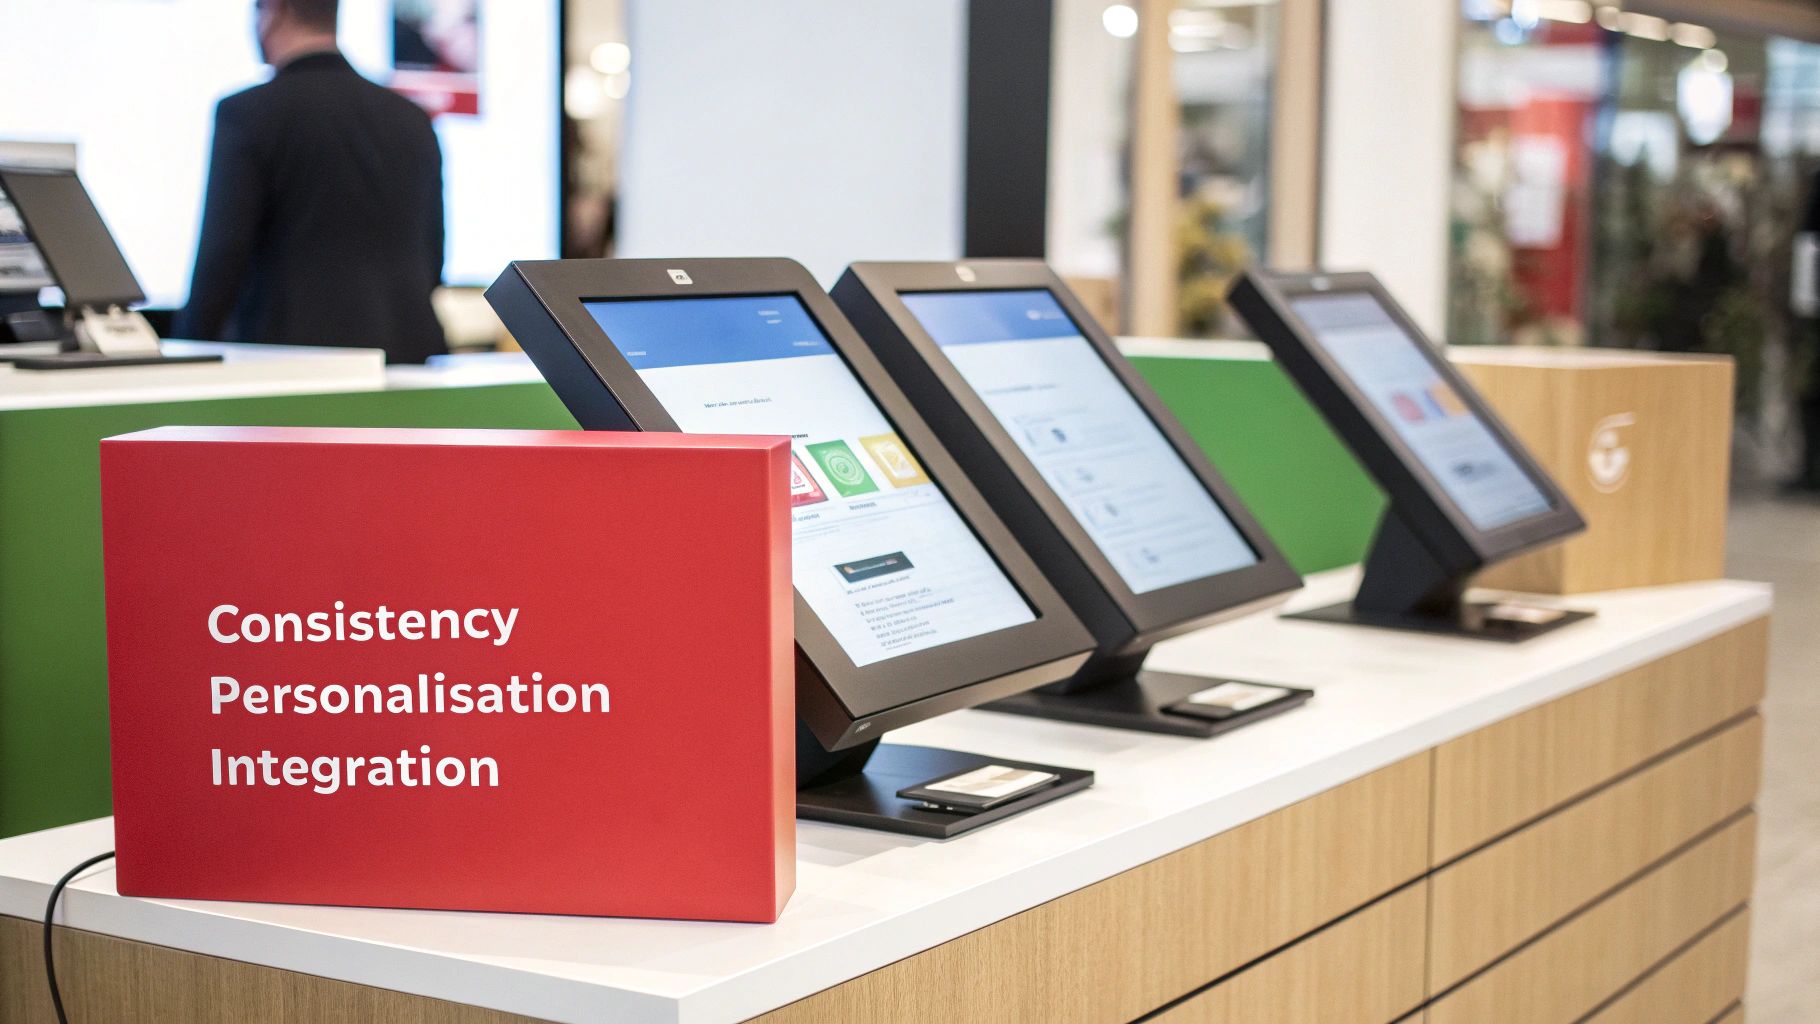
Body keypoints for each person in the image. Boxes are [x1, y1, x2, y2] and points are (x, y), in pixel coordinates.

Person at [174, 0, 447, 363]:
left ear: (274, 12)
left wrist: (184, 354)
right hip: (412, 362)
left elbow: (222, 258)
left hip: (295, 370)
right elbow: (433, 256)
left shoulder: (248, 113)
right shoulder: (412, 118)